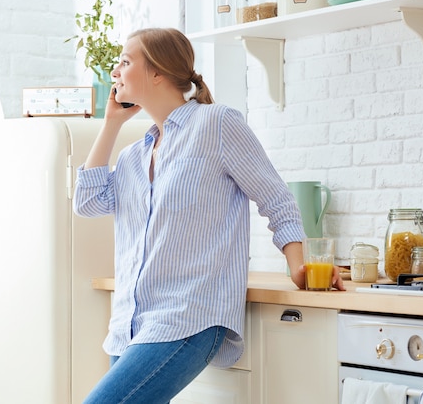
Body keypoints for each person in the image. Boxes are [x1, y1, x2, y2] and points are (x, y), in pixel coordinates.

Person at [73, 27, 345, 404]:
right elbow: (87, 203)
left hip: (188, 316)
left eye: (124, 62)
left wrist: (298, 266)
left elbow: (276, 199)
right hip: (129, 325)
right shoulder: (134, 155)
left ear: (156, 73)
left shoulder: (217, 124)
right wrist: (111, 124)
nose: (115, 72)